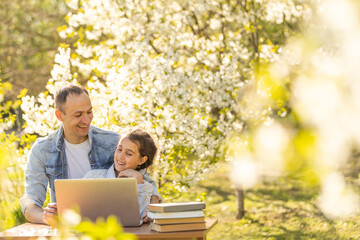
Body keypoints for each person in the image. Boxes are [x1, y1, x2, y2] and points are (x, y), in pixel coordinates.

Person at [20, 84, 160, 226]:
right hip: (69, 230)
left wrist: (153, 205)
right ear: (59, 115)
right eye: (78, 115)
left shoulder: (114, 142)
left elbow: (146, 181)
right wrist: (45, 217)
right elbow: (30, 201)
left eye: (89, 112)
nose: (87, 120)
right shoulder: (42, 150)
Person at [83, 128, 158, 223]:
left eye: (129, 154)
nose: (120, 156)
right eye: (119, 149)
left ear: (142, 160)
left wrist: (139, 182)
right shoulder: (93, 177)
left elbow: (141, 218)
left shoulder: (146, 187)